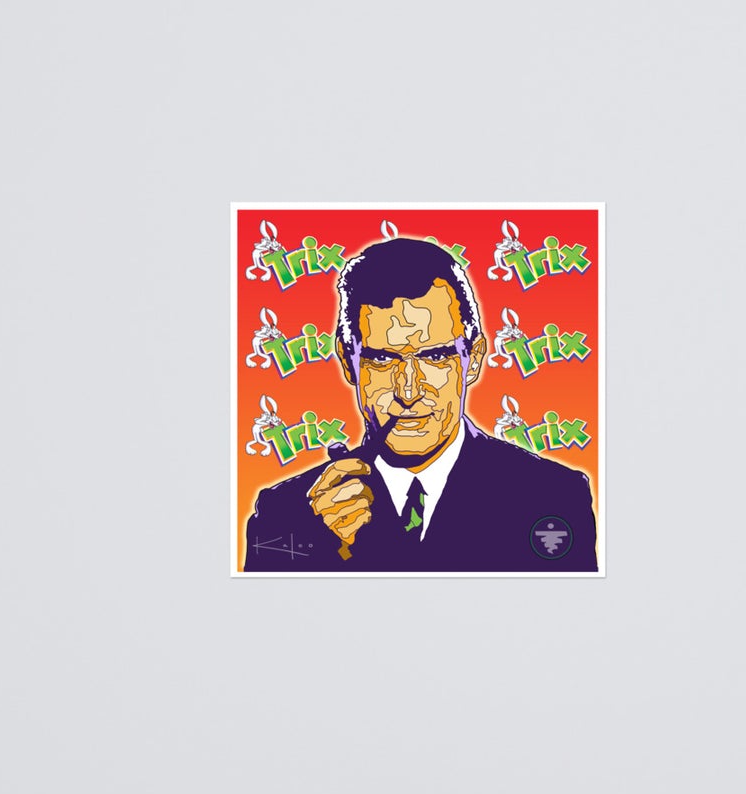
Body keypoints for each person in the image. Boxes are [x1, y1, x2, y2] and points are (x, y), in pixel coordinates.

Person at [244, 237, 597, 572]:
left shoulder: (552, 497)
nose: (409, 391)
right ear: (347, 360)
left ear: (473, 359)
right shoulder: (284, 516)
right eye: (383, 359)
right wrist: (321, 549)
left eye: (436, 357)